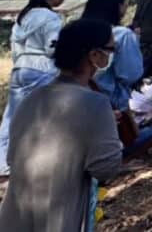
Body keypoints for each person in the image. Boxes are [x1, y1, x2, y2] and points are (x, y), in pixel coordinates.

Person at [0, 19, 122, 231]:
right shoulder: (96, 103)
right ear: (94, 56)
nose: (111, 56)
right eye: (110, 50)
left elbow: (13, 158)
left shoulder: (30, 99)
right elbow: (105, 168)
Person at [0, 0, 66, 177]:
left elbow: (15, 47)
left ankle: (4, 161)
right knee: (46, 118)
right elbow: (51, 47)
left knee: (12, 117)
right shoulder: (51, 18)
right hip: (43, 68)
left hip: (21, 67)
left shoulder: (24, 16)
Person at [84, 0, 145, 113]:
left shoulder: (74, 30)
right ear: (117, 6)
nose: (126, 7)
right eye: (125, 3)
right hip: (111, 103)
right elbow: (130, 74)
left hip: (77, 97)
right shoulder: (123, 35)